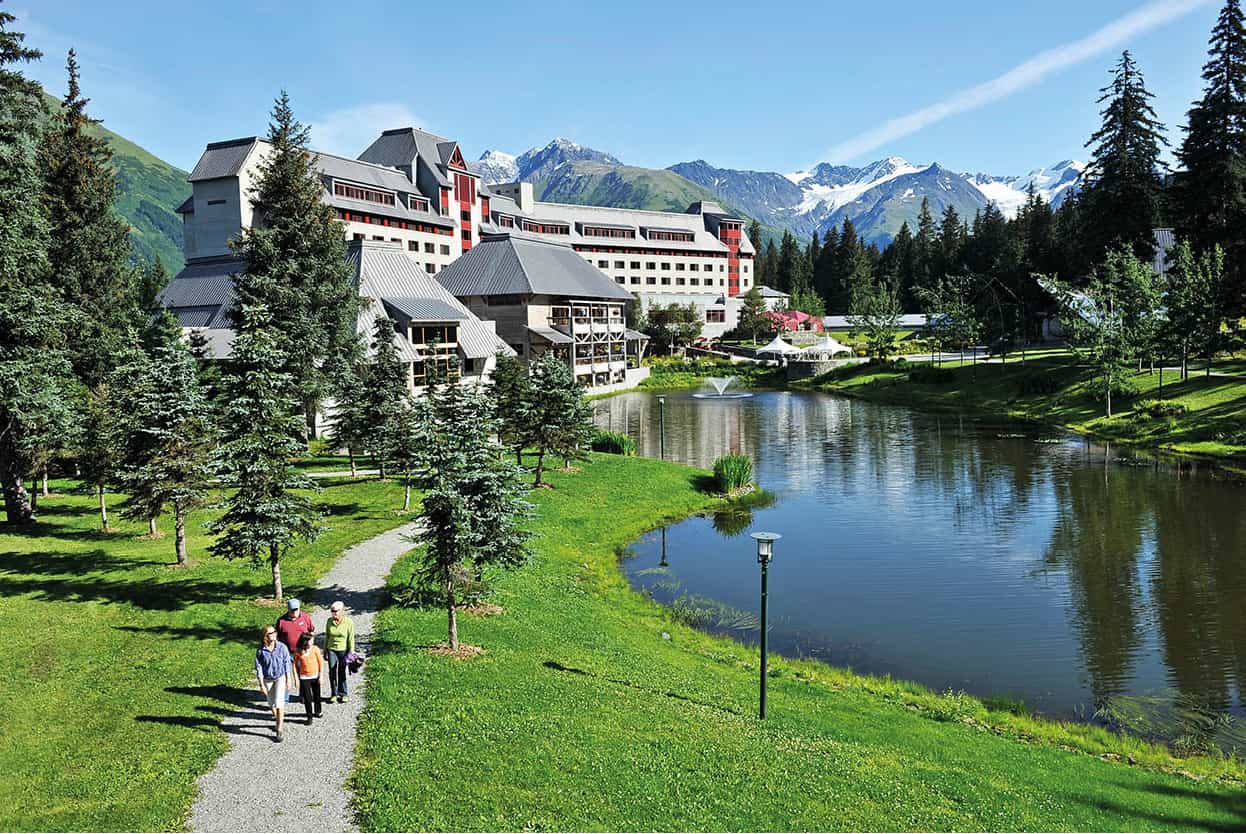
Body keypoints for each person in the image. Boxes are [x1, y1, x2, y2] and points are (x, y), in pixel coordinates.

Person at [255, 626, 293, 742]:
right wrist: (261, 684)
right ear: (265, 636)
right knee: (271, 703)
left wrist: (288, 678)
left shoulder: (282, 647)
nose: (274, 634)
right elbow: (259, 668)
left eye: (274, 632)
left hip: (280, 677)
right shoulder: (261, 650)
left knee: (279, 702)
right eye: (271, 633)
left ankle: (279, 729)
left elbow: (287, 662)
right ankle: (277, 718)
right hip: (268, 679)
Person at [275, 598, 313, 702]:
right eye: (292, 610)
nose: (295, 612)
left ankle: (303, 695)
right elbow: (277, 637)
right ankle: (284, 698)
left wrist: (309, 647)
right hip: (287, 653)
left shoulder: (305, 618)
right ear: (288, 609)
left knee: (303, 674)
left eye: (296, 609)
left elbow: (311, 631)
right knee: (285, 675)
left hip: (301, 652)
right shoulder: (281, 621)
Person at [324, 600, 355, 704]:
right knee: (332, 672)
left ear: (342, 611)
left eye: (336, 611)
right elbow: (327, 636)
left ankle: (343, 693)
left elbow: (351, 638)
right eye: (332, 611)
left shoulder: (348, 622)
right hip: (331, 649)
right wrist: (325, 650)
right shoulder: (329, 621)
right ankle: (333, 693)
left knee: (341, 672)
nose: (334, 613)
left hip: (343, 650)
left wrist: (351, 652)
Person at [293, 631, 324, 724]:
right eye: (311, 640)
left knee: (317, 695)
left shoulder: (315, 649)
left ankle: (318, 711)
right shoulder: (298, 651)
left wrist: (321, 675)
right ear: (305, 641)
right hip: (304, 677)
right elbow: (294, 665)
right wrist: (296, 679)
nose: (313, 642)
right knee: (307, 698)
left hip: (315, 676)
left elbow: (321, 663)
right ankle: (309, 716)